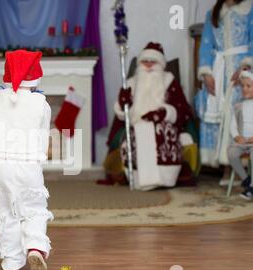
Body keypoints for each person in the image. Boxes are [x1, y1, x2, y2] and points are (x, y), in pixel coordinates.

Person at [0, 50, 53, 270]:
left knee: (6, 210)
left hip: (3, 165)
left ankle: (12, 261)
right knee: (33, 208)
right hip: (29, 166)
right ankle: (35, 247)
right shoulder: (41, 103)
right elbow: (43, 134)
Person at [104, 42, 196, 191]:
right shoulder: (131, 83)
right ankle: (141, 180)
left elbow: (183, 110)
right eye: (144, 61)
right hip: (137, 123)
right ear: (139, 64)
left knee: (161, 132)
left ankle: (163, 179)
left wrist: (164, 112)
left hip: (163, 122)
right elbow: (122, 117)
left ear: (160, 64)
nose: (148, 65)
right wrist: (123, 104)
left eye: (152, 62)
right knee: (139, 133)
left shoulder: (169, 80)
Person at [195, 0, 253, 185]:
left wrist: (246, 65)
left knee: (239, 115)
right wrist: (206, 73)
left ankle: (241, 168)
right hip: (219, 69)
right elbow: (206, 45)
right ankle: (226, 168)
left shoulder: (250, 9)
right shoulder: (213, 13)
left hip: (243, 70)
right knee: (222, 115)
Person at [227, 70, 253, 199]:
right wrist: (237, 137)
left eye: (249, 86)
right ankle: (247, 180)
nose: (245, 89)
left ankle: (252, 187)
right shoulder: (238, 106)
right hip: (242, 141)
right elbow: (233, 125)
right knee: (231, 153)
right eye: (242, 86)